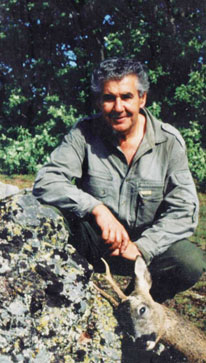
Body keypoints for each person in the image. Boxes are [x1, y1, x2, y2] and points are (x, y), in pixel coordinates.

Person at [33, 58, 206, 302]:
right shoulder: (83, 133)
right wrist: (96, 208)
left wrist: (144, 247)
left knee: (190, 261)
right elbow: (46, 181)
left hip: (147, 250)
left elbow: (184, 210)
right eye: (108, 98)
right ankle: (66, 298)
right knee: (48, 216)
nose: (118, 107)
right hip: (96, 244)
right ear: (99, 101)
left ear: (142, 99)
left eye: (126, 97)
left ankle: (136, 305)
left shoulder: (169, 143)